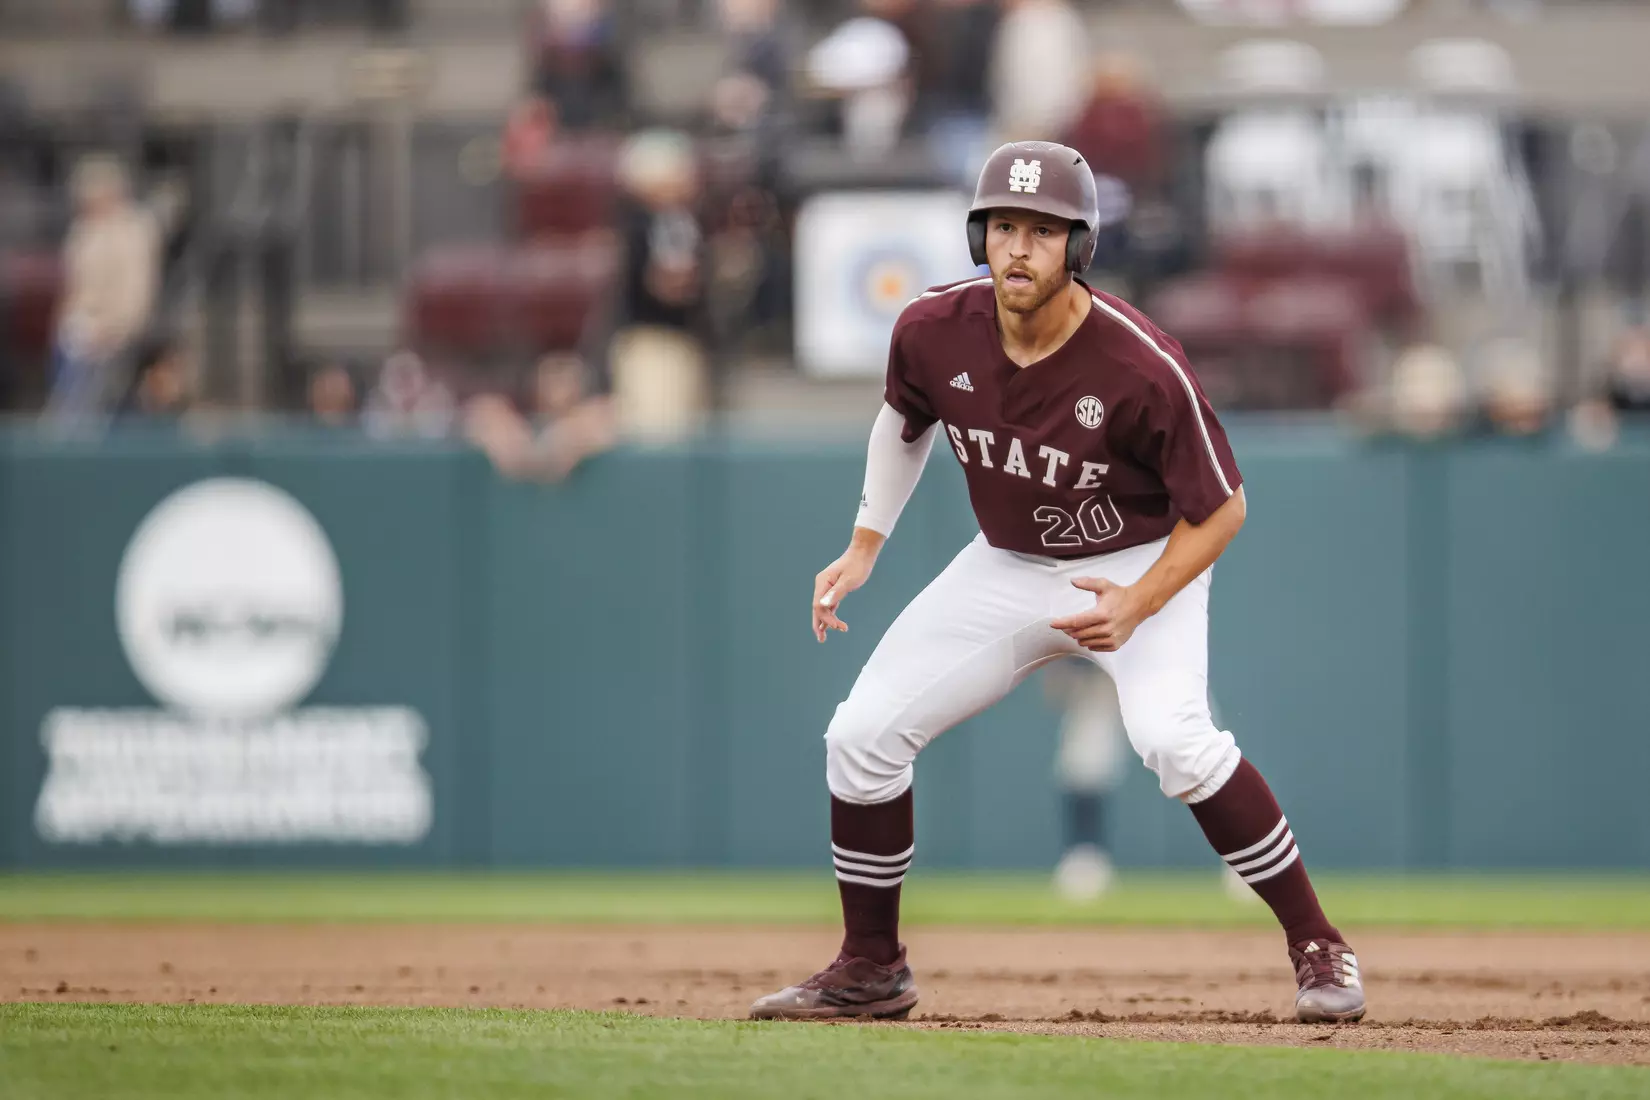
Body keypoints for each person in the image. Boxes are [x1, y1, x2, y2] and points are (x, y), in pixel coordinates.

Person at [749, 141, 1364, 1025]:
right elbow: (903, 422)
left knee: (1175, 742)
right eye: (1004, 226)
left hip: (1137, 562)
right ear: (978, 236)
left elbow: (1223, 510)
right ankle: (872, 967)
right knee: (860, 738)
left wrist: (1140, 600)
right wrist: (864, 543)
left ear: (1080, 247)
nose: (1019, 248)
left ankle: (1318, 942)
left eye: (1044, 231)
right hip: (1007, 563)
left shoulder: (1141, 362)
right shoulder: (931, 328)